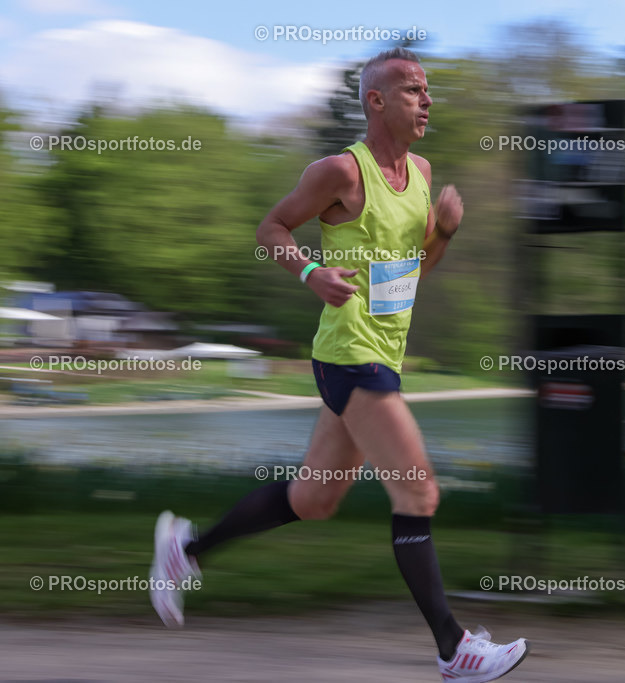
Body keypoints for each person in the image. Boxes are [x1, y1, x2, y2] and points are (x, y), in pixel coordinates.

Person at [149, 47, 530, 682]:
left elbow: (412, 273)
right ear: (376, 101)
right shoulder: (340, 173)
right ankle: (453, 649)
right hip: (349, 357)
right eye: (413, 90)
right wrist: (310, 272)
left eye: (427, 90)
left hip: (383, 355)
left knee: (315, 498)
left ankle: (185, 551)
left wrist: (442, 232)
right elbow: (271, 228)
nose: (427, 100)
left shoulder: (422, 173)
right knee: (418, 490)